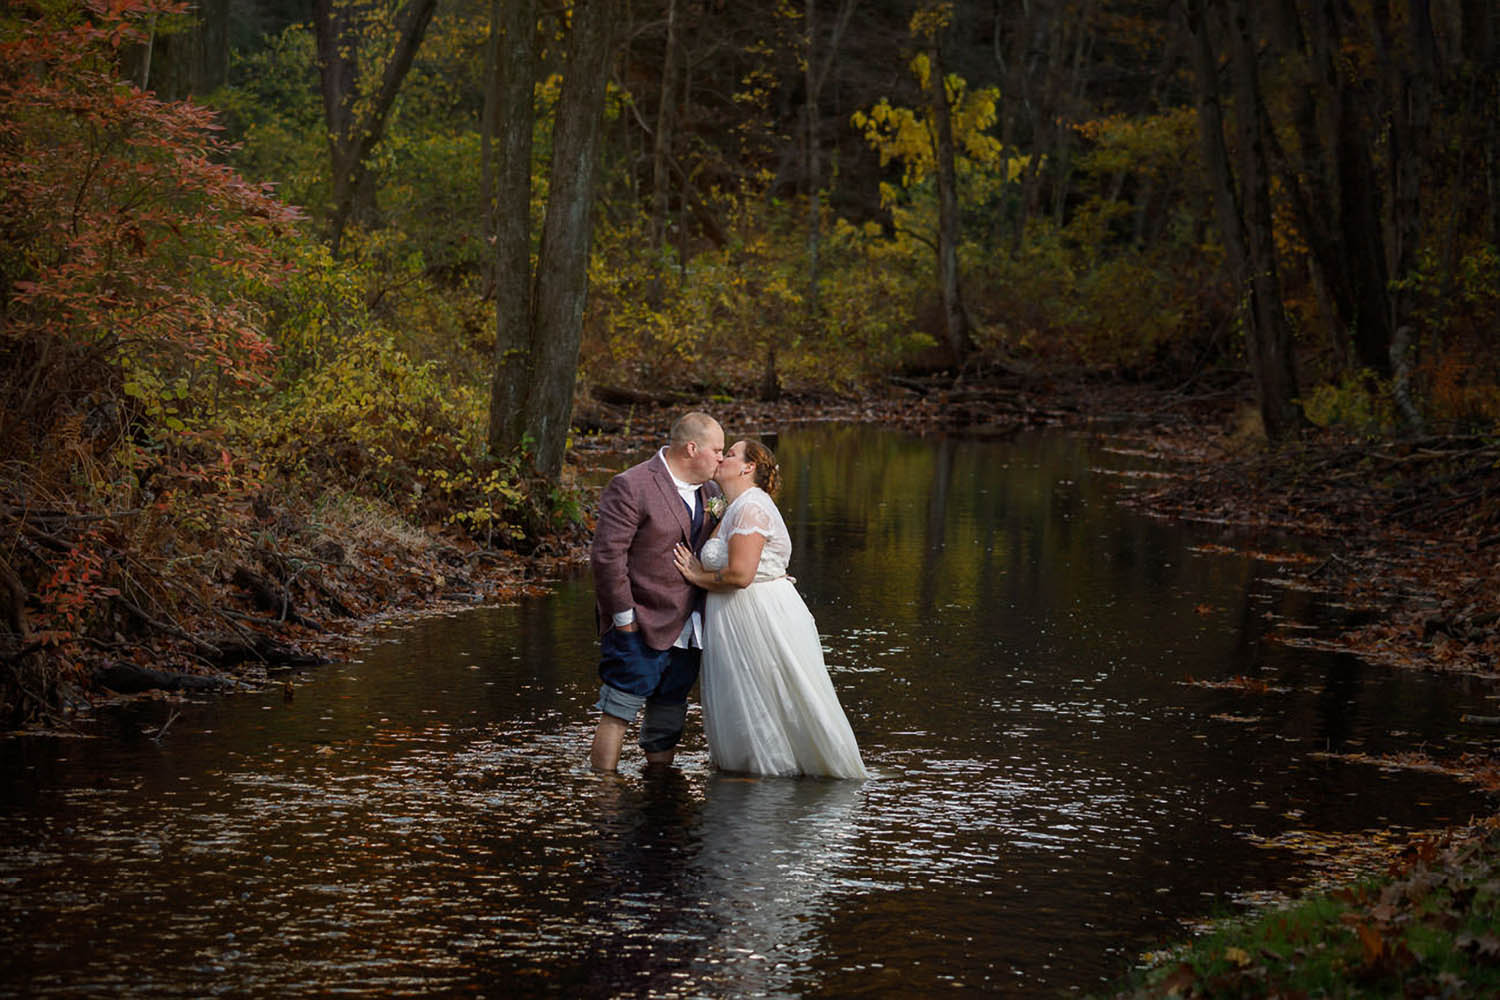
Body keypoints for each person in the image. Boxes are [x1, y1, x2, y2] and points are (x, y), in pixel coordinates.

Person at [673, 440, 867, 779]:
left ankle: (774, 777)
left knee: (768, 693)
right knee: (745, 695)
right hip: (735, 616)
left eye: (730, 454)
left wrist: (696, 575)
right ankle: (748, 771)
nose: (722, 458)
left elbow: (740, 574)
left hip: (758, 615)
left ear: (748, 468)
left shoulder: (752, 508)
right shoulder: (733, 506)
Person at [589, 411, 725, 772]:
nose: (722, 458)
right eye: (717, 450)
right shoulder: (632, 485)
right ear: (692, 448)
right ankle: (604, 796)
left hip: (690, 626)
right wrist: (624, 619)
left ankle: (660, 791)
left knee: (670, 709)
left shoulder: (713, 493)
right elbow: (606, 557)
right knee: (619, 709)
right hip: (639, 621)